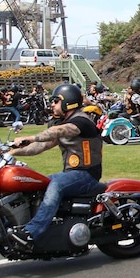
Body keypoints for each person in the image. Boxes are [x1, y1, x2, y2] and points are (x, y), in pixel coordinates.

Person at [8, 84, 103, 248]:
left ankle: (32, 233)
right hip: (71, 174)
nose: (52, 104)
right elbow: (41, 146)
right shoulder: (66, 123)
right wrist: (12, 153)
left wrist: (31, 137)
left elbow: (59, 131)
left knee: (56, 184)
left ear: (69, 102)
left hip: (87, 175)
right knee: (36, 183)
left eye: (56, 101)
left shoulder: (82, 121)